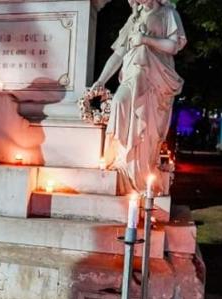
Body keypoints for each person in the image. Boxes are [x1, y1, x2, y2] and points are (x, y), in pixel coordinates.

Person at [93, 0, 186, 195]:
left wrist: (145, 39)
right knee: (119, 103)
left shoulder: (167, 13)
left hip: (155, 79)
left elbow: (173, 45)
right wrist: (101, 80)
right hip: (131, 75)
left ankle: (142, 176)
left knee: (147, 130)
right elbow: (119, 54)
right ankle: (121, 163)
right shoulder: (133, 17)